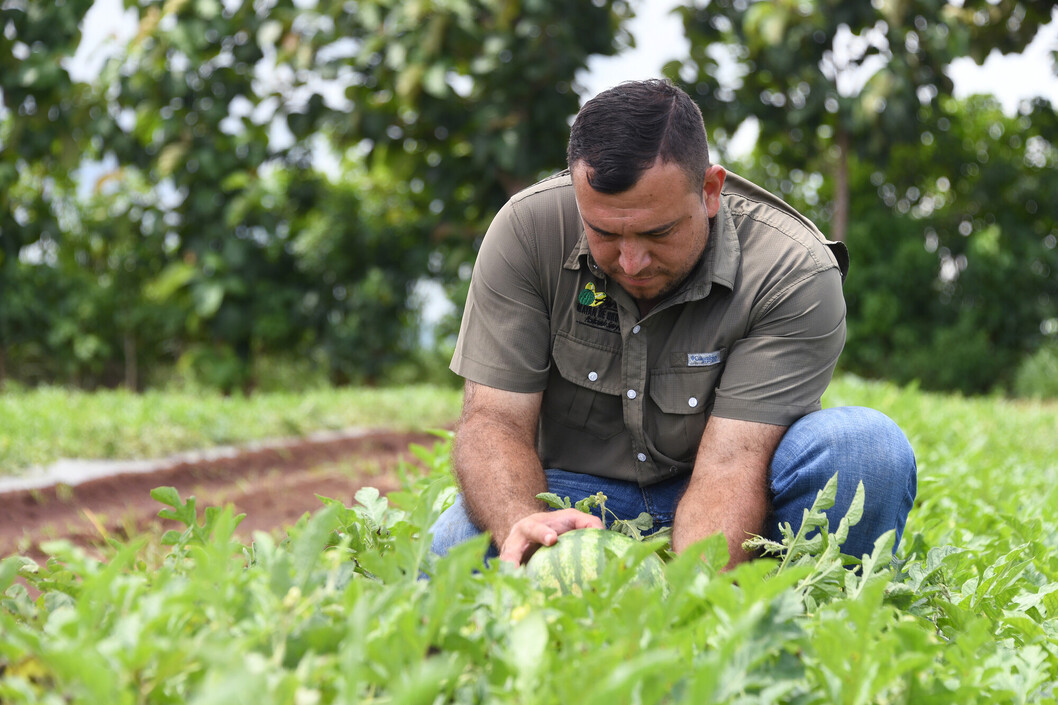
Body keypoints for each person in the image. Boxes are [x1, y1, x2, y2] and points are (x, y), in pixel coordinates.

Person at [430, 79, 916, 569]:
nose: (632, 261)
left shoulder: (792, 270)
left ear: (710, 190)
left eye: (657, 232)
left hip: (735, 497)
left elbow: (731, 467)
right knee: (454, 546)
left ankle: (794, 618)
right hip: (575, 500)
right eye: (604, 233)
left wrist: (692, 601)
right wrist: (525, 523)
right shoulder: (527, 230)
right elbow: (495, 421)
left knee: (867, 450)